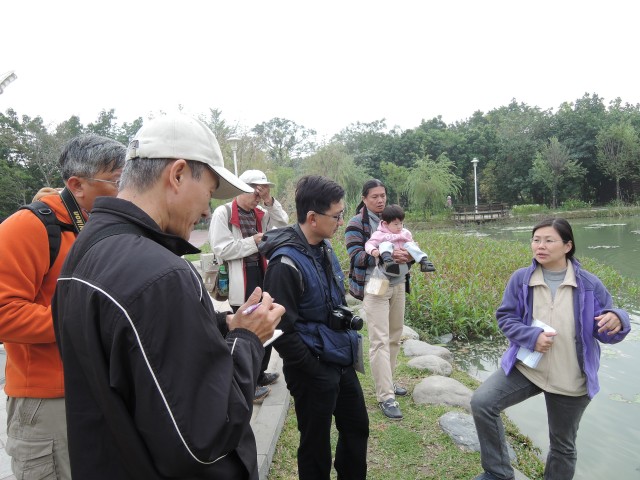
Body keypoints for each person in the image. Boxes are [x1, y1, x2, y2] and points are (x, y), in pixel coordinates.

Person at [51, 114, 284, 480]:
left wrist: (223, 324)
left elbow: (133, 352)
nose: (208, 209)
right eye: (208, 191)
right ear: (176, 174)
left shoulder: (84, 251)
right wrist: (248, 339)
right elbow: (206, 434)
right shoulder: (161, 274)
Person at [0, 134, 126, 479]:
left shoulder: (98, 228)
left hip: (97, 388)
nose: (127, 189)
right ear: (76, 184)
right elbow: (4, 314)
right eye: (117, 181)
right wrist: (88, 322)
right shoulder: (28, 227)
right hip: (48, 401)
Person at [470, 217, 631, 480]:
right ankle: (498, 472)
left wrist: (619, 318)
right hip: (528, 368)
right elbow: (506, 317)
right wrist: (531, 337)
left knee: (562, 446)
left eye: (548, 240)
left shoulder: (589, 285)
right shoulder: (522, 279)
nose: (540, 246)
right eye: (536, 240)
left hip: (570, 378)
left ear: (567, 246)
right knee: (483, 402)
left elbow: (608, 333)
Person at [260, 175, 369, 480]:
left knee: (357, 426)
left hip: (339, 358)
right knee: (315, 443)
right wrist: (312, 367)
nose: (341, 221)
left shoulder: (325, 248)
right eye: (336, 216)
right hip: (312, 369)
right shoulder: (285, 264)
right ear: (312, 217)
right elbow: (279, 329)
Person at [210, 168, 289, 403]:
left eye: (262, 190)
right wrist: (253, 242)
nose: (258, 194)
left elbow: (283, 223)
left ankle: (260, 374)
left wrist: (269, 201)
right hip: (240, 277)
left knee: (266, 321)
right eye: (254, 189)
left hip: (263, 273)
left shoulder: (261, 213)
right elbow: (222, 249)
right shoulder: (223, 213)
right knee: (245, 329)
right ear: (240, 188)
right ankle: (247, 382)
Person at [345, 179, 413, 419]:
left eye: (383, 195)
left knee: (395, 336)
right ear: (364, 198)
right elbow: (355, 256)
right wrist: (384, 256)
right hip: (375, 284)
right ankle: (386, 396)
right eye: (374, 196)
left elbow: (408, 246)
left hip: (398, 283)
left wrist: (408, 256)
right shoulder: (357, 223)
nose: (380, 200)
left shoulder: (394, 218)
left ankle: (389, 382)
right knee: (380, 340)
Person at [365, 203, 435, 275]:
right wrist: (373, 251)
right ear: (386, 224)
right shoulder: (380, 234)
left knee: (411, 244)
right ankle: (388, 261)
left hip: (404, 265)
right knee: (385, 244)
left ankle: (423, 261)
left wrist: (414, 246)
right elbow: (369, 244)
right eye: (396, 224)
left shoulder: (405, 233)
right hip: (387, 267)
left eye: (401, 223)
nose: (399, 227)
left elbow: (412, 245)